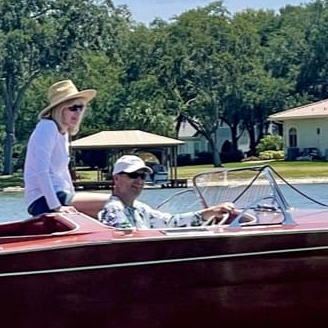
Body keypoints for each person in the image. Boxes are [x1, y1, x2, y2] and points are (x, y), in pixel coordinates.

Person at [23, 79, 104, 216]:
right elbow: (41, 171)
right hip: (43, 199)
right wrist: (56, 207)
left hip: (61, 195)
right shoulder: (47, 127)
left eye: (81, 107)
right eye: (73, 108)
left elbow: (64, 173)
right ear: (60, 109)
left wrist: (74, 197)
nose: (77, 113)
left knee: (109, 209)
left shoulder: (63, 132)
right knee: (112, 202)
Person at [97, 155, 241, 229]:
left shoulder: (139, 208)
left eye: (143, 176)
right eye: (134, 175)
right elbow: (127, 240)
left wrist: (208, 213)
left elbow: (170, 222)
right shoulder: (114, 209)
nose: (139, 181)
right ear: (116, 178)